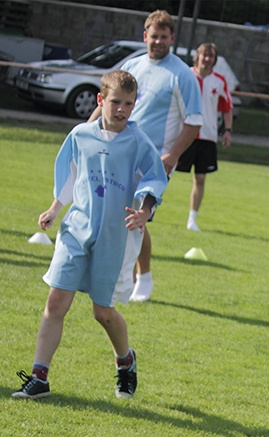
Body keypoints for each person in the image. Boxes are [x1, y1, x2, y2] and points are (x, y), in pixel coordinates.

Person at [12, 70, 168, 400]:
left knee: (103, 312)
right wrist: (55, 209)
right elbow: (70, 175)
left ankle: (125, 362)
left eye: (129, 103)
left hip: (115, 235)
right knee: (56, 301)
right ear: (101, 100)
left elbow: (154, 180)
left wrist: (145, 211)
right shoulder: (81, 135)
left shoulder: (138, 142)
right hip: (76, 229)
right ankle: (39, 376)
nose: (122, 109)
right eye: (115, 102)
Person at [93, 9, 203, 303]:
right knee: (120, 216)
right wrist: (88, 132)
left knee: (137, 217)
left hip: (153, 161)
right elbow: (107, 103)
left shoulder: (182, 74)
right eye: (154, 36)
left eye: (164, 37)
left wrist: (171, 156)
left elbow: (194, 122)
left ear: (172, 39)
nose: (158, 42)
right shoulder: (133, 66)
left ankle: (143, 278)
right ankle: (124, 277)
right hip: (119, 153)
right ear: (145, 36)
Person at [175, 43, 233, 233]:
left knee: (200, 178)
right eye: (204, 55)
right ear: (197, 56)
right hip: (184, 134)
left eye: (211, 56)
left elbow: (227, 109)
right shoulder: (185, 75)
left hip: (207, 136)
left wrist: (227, 130)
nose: (207, 59)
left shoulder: (220, 81)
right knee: (166, 172)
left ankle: (192, 220)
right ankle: (148, 209)